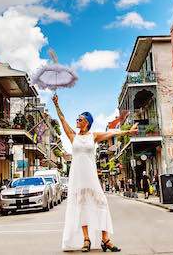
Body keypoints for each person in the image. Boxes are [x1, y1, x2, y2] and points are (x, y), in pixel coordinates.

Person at [53, 93, 138, 252]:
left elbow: (112, 133)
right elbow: (62, 119)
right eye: (77, 119)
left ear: (87, 122)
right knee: (82, 206)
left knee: (102, 203)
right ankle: (87, 240)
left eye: (80, 119)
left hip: (91, 177)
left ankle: (106, 239)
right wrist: (57, 105)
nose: (77, 121)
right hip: (78, 178)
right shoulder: (73, 136)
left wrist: (127, 132)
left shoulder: (94, 136)